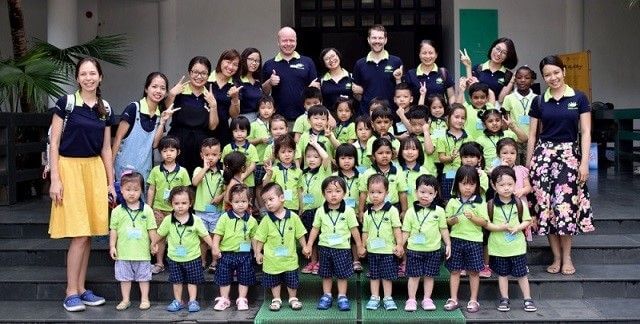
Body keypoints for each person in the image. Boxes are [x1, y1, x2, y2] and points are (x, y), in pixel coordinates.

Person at [48, 57, 115, 312]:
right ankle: (70, 291)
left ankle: (82, 288)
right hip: (69, 168)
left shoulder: (105, 108)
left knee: (87, 235)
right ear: (77, 78)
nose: (88, 78)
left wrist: (111, 183)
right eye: (83, 74)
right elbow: (54, 143)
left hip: (94, 170)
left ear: (100, 77)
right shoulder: (66, 104)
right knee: (78, 234)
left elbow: (106, 148)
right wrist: (55, 178)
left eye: (93, 73)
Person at [526, 55, 594, 275]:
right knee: (545, 209)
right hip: (543, 158)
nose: (552, 77)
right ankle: (555, 257)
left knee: (565, 208)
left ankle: (567, 257)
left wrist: (584, 163)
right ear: (543, 77)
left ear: (564, 71)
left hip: (569, 157)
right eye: (547, 74)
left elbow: (585, 132)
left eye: (556, 72)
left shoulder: (580, 98)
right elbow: (532, 135)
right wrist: (528, 167)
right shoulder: (539, 101)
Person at [305, 176, 365, 311]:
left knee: (342, 274)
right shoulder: (320, 210)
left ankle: (342, 296)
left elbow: (354, 229)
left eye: (337, 191)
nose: (333, 195)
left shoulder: (349, 211)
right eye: (329, 191)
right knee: (326, 273)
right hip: (325, 248)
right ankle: (327, 295)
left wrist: (360, 246)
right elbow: (315, 228)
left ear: (344, 193)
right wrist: (309, 245)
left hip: (342, 249)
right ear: (323, 194)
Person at [153, 186, 214, 313]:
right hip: (174, 257)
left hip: (192, 257)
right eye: (176, 203)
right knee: (177, 281)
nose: (180, 206)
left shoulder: (196, 220)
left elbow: (205, 235)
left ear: (190, 203)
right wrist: (153, 243)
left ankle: (192, 300)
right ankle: (178, 301)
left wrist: (214, 247)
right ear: (171, 204)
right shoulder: (168, 220)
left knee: (193, 280)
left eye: (184, 203)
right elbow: (160, 234)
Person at [485, 166, 536, 312]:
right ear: (494, 185)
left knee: (522, 274)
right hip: (499, 248)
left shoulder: (520, 203)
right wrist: (499, 228)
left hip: (517, 247)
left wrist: (518, 227)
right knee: (502, 274)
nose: (506, 188)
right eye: (502, 185)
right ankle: (504, 298)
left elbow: (527, 220)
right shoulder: (490, 205)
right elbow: (486, 224)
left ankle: (527, 299)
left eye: (510, 184)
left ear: (515, 183)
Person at [254, 183, 308, 311]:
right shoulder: (266, 220)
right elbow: (260, 238)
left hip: (289, 259)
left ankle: (293, 298)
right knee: (274, 281)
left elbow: (300, 234)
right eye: (265, 201)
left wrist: (305, 247)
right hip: (272, 260)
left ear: (282, 198)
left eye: (271, 199)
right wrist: (258, 252)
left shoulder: (293, 217)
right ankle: (276, 298)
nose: (268, 204)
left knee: (292, 280)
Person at [109, 171, 157, 311]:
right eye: (128, 189)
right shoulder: (117, 211)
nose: (132, 193)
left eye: (136, 190)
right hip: (124, 253)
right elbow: (114, 230)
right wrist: (112, 246)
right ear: (121, 191)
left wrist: (153, 243)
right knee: (124, 278)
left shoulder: (147, 210)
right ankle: (125, 300)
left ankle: (145, 299)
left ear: (141, 191)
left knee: (144, 278)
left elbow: (152, 229)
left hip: (142, 252)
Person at [401, 175, 451, 312]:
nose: (425, 196)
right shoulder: (410, 212)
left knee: (430, 276)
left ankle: (427, 299)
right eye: (422, 192)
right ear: (416, 191)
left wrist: (448, 244)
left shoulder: (439, 211)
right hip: (413, 249)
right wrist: (400, 245)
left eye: (430, 193)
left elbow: (443, 229)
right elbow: (405, 231)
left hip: (433, 250)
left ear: (435, 194)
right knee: (414, 276)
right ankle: (411, 299)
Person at [443, 165, 489, 313]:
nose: (467, 188)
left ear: (476, 185)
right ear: (457, 184)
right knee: (455, 270)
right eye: (464, 184)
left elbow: (485, 222)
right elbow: (445, 221)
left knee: (474, 271)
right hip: (456, 239)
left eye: (471, 184)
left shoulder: (480, 202)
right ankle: (453, 298)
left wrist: (474, 218)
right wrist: (452, 221)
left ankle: (474, 299)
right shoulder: (452, 202)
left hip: (474, 241)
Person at [165, 56, 219, 176]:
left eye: (203, 73)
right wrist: (171, 94)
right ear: (189, 72)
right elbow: (166, 112)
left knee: (198, 180)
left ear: (208, 75)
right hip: (178, 142)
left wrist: (214, 106)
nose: (199, 76)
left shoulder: (209, 95)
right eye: (195, 72)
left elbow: (213, 126)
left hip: (201, 145)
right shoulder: (179, 91)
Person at [112, 72, 169, 183]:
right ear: (146, 89)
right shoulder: (133, 108)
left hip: (145, 170)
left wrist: (162, 122)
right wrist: (110, 167)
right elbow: (118, 138)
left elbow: (155, 144)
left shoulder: (160, 114)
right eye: (154, 86)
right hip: (124, 169)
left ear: (166, 92)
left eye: (162, 88)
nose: (158, 91)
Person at [146, 136, 191, 275]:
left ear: (178, 152)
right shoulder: (155, 171)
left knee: (178, 236)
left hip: (177, 210)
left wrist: (187, 208)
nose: (169, 153)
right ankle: (159, 263)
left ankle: (179, 262)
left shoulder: (182, 171)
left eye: (172, 150)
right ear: (160, 153)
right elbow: (151, 189)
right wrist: (149, 207)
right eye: (165, 151)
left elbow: (186, 190)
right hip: (159, 209)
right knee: (159, 237)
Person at [211, 184, 259, 311]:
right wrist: (215, 248)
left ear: (249, 201)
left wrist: (257, 252)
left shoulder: (252, 221)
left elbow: (254, 237)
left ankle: (242, 299)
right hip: (226, 254)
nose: (240, 204)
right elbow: (217, 235)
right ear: (230, 202)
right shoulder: (224, 218)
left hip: (245, 254)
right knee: (224, 277)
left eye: (243, 201)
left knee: (245, 276)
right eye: (236, 202)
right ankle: (224, 299)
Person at [362, 174, 403, 311]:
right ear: (368, 192)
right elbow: (365, 232)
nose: (375, 195)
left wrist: (399, 244)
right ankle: (374, 297)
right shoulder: (367, 213)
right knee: (374, 275)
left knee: (386, 276)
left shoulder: (392, 210)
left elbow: (397, 229)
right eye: (372, 192)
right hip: (373, 251)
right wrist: (362, 246)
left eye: (379, 192)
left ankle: (387, 297)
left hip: (388, 251)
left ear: (387, 192)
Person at [262, 26, 319, 122]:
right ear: (278, 42)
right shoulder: (269, 64)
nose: (288, 44)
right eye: (284, 41)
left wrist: (312, 88)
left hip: (305, 118)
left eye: (291, 40)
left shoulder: (308, 62)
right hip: (278, 121)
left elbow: (317, 90)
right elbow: (264, 93)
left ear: (296, 41)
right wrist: (270, 82)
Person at [353, 24, 403, 116]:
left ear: (386, 40)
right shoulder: (359, 64)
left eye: (380, 38)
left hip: (390, 115)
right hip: (366, 115)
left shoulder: (396, 61)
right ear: (368, 40)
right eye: (374, 38)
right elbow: (356, 93)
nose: (377, 41)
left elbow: (401, 90)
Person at [299, 138, 332, 275]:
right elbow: (300, 191)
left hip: (321, 210)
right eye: (308, 157)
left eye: (315, 156)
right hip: (307, 211)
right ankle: (312, 261)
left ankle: (321, 263)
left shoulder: (324, 170)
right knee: (309, 238)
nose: (311, 159)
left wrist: (316, 144)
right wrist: (301, 208)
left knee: (320, 238)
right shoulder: (303, 173)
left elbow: (326, 157)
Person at [191, 137, 224, 272]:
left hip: (216, 211)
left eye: (214, 155)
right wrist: (204, 169)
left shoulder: (222, 173)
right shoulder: (199, 170)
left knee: (214, 237)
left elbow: (227, 190)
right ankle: (202, 260)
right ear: (201, 155)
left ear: (220, 155)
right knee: (202, 238)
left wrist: (220, 197)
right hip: (201, 211)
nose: (210, 158)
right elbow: (194, 182)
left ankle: (215, 262)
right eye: (207, 155)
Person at [460, 37, 518, 104]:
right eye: (497, 49)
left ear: (507, 56)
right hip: (477, 110)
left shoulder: (508, 75)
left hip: (496, 112)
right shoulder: (478, 68)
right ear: (492, 47)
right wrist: (468, 66)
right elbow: (471, 91)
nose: (499, 54)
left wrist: (479, 84)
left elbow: (501, 100)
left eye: (504, 53)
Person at [501, 66, 537, 164]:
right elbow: (505, 122)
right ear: (515, 79)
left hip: (531, 141)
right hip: (513, 140)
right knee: (513, 168)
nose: (523, 80)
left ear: (532, 80)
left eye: (527, 78)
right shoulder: (509, 98)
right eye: (519, 77)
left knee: (529, 168)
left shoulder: (537, 99)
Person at [207, 49, 243, 147]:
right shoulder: (206, 79)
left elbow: (234, 115)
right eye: (228, 62)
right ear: (221, 61)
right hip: (203, 129)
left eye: (235, 64)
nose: (231, 67)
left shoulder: (235, 85)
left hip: (223, 131)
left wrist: (235, 98)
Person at [436, 104, 471, 201]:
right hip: (449, 173)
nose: (460, 120)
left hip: (465, 174)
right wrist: (450, 158)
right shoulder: (442, 137)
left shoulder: (469, 137)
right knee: (448, 199)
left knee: (464, 198)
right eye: (456, 117)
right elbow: (441, 158)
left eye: (463, 118)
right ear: (448, 117)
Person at [263, 134, 302, 212]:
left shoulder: (298, 171)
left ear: (294, 152)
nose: (287, 155)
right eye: (283, 152)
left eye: (290, 151)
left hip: (293, 207)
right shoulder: (273, 170)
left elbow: (300, 191)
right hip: (277, 206)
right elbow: (265, 186)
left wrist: (302, 207)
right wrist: (269, 174)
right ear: (277, 154)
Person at [319, 48, 360, 112]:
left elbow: (360, 99)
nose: (331, 60)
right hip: (329, 119)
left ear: (338, 56)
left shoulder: (352, 77)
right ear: (324, 63)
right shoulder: (321, 81)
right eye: (327, 59)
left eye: (333, 56)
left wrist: (361, 91)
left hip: (351, 118)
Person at [238, 47, 264, 122]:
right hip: (242, 121)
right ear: (243, 59)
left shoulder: (258, 81)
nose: (254, 63)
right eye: (251, 59)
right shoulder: (237, 80)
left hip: (258, 120)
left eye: (257, 61)